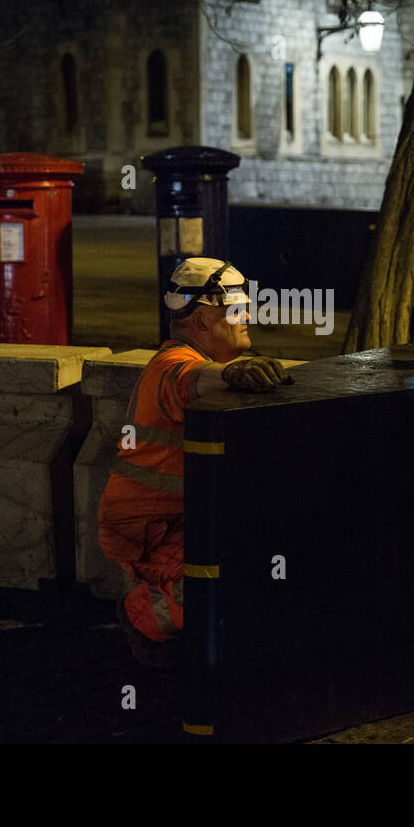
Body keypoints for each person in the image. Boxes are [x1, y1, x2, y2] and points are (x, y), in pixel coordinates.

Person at [99, 257, 290, 666]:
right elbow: (189, 381)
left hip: (173, 520)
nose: (246, 318)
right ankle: (142, 616)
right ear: (202, 322)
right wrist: (231, 376)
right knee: (234, 573)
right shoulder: (171, 366)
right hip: (152, 530)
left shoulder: (203, 361)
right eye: (235, 311)